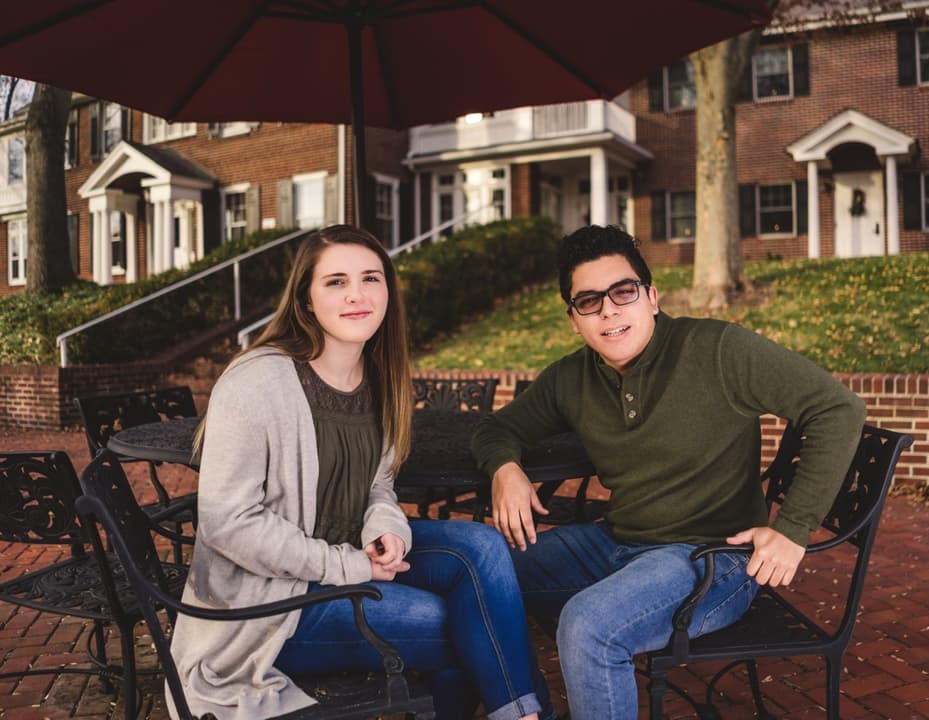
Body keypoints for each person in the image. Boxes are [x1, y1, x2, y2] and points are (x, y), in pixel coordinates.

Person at [472, 224, 867, 719]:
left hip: (712, 557)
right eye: (589, 301)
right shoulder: (571, 378)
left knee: (588, 625)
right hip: (617, 544)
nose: (609, 310)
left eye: (623, 292)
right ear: (574, 320)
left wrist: (791, 529)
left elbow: (837, 408)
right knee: (479, 574)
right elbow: (496, 429)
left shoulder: (719, 350)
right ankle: (526, 712)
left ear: (651, 297)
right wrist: (505, 467)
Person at [169, 225, 551, 720]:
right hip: (270, 607)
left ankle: (519, 713)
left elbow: (378, 485)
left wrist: (385, 529)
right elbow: (228, 523)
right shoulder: (257, 380)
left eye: (371, 278)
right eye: (335, 282)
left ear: (388, 291)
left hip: (349, 557)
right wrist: (350, 568)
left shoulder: (379, 378)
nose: (357, 294)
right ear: (306, 300)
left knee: (482, 548)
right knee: (456, 620)